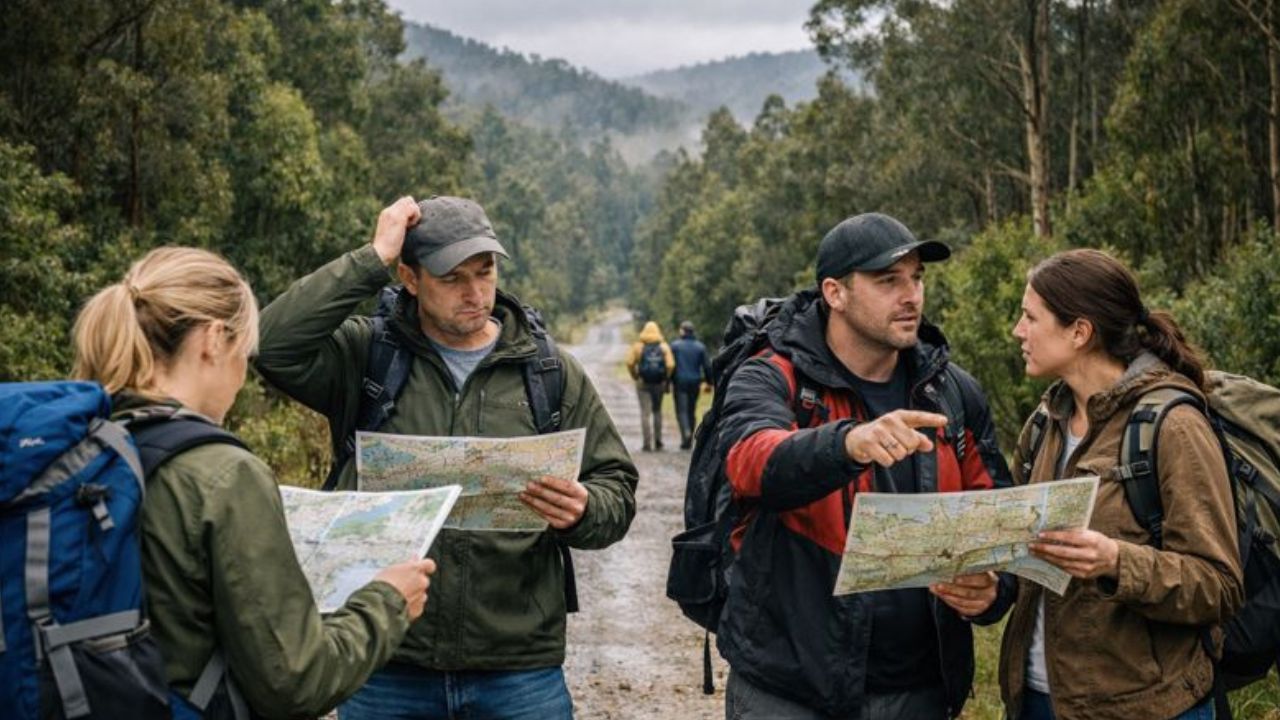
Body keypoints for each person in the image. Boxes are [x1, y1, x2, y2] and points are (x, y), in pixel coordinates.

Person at [254, 195, 638, 720]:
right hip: (386, 659)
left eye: (485, 273)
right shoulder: (368, 355)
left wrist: (585, 508)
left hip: (519, 669)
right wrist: (373, 257)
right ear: (410, 279)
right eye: (453, 278)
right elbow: (270, 345)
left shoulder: (548, 371)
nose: (475, 293)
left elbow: (616, 483)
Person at [71, 246, 435, 719]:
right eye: (243, 351)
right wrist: (387, 601)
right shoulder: (222, 474)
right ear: (213, 340)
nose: (243, 373)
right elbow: (296, 681)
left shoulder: (79, 446)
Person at [715, 212, 1014, 719]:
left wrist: (993, 591)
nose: (911, 295)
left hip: (920, 691)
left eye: (917, 278)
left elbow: (997, 517)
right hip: (790, 692)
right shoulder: (771, 377)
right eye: (888, 280)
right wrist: (848, 443)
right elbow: (751, 461)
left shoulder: (952, 390)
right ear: (835, 292)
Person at [1000, 249, 1244, 720]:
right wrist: (985, 584)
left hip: (1146, 707)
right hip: (1035, 700)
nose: (1018, 330)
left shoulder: (1173, 426)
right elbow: (1021, 560)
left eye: (1030, 317)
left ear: (1080, 332)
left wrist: (1115, 561)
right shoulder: (1044, 425)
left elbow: (1219, 586)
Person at [626, 320, 675, 451]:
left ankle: (647, 444)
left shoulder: (638, 346)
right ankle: (658, 442)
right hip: (659, 383)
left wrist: (635, 375)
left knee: (645, 413)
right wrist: (666, 377)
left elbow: (629, 362)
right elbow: (670, 365)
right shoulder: (664, 347)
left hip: (643, 383)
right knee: (657, 411)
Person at [669, 320, 712, 449]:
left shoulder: (675, 346)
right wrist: (710, 382)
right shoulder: (700, 347)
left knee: (681, 410)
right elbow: (707, 366)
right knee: (691, 409)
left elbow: (670, 366)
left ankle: (686, 432)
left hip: (679, 382)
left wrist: (668, 381)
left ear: (682, 331)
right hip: (695, 382)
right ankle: (689, 440)